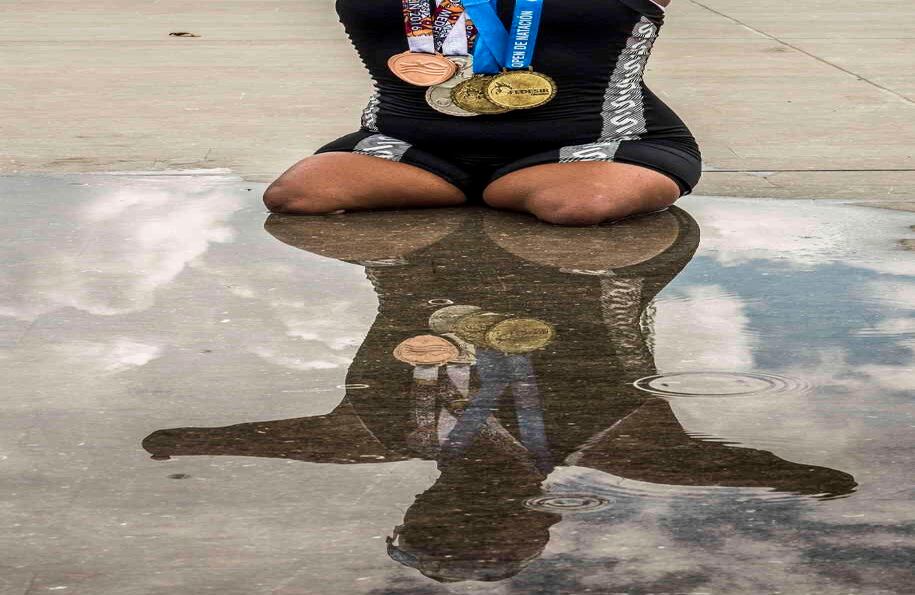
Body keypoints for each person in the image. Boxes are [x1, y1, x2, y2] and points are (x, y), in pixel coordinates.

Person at [142, 209, 856, 583]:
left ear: (418, 507)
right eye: (472, 527)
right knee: (564, 227)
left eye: (438, 522)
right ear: (533, 516)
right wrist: (785, 477)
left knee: (308, 212)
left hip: (437, 246)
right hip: (592, 250)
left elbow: (289, 445)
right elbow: (698, 469)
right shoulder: (607, 442)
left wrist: (197, 438)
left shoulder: (381, 435)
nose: (455, 510)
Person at [263, 0, 701, 226]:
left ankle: (494, 187)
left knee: (577, 204)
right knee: (297, 195)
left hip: (599, 142)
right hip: (413, 143)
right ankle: (478, 186)